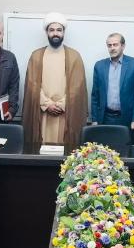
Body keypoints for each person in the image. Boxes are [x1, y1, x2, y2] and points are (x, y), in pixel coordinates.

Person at [21, 13, 88, 149]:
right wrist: (47, 104)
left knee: (65, 152)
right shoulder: (36, 55)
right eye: (51, 30)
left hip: (66, 113)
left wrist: (62, 104)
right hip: (42, 113)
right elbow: (32, 85)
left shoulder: (74, 56)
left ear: (63, 32)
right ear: (47, 32)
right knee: (41, 150)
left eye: (59, 30)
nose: (55, 33)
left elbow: (78, 86)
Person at [90, 33, 134, 143]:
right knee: (104, 150)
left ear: (123, 46)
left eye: (115, 44)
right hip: (105, 118)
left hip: (126, 118)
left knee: (126, 150)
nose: (112, 48)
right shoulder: (99, 66)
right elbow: (95, 95)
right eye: (109, 45)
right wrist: (94, 119)